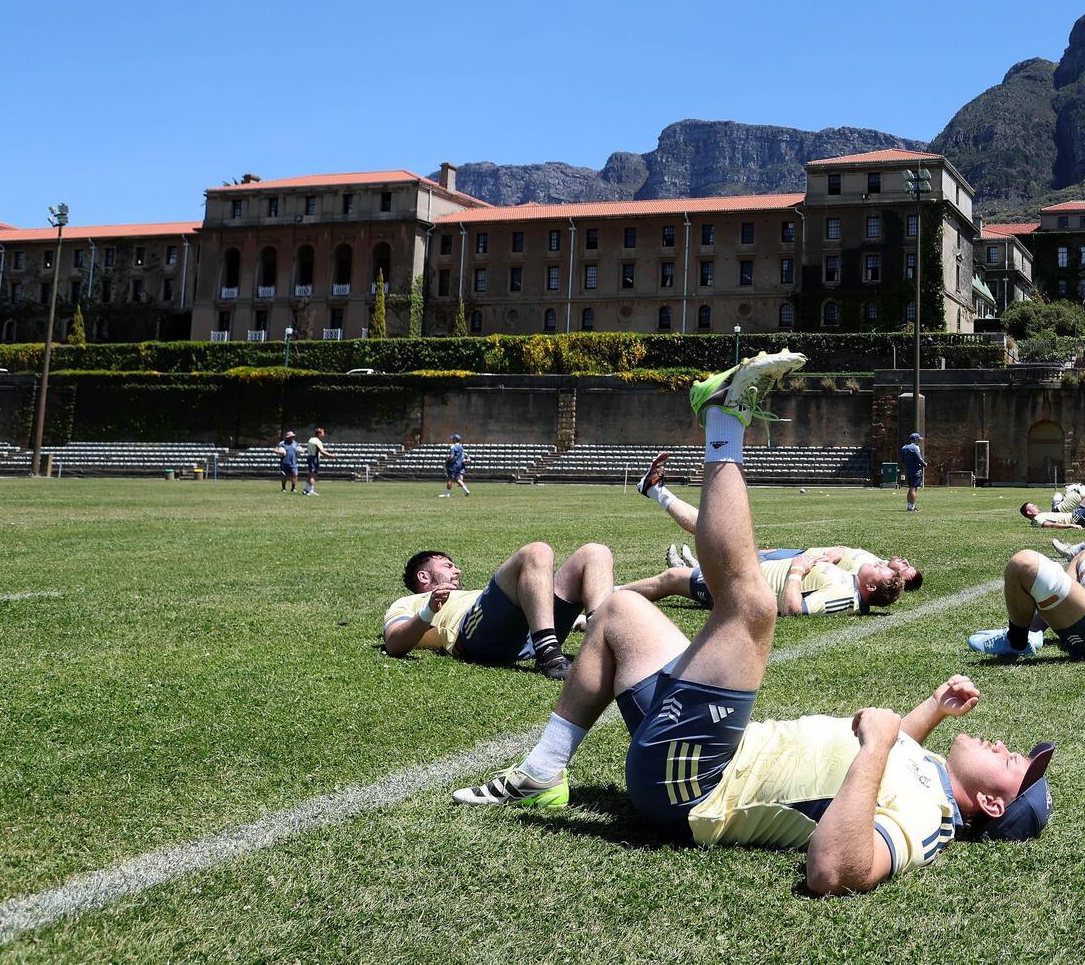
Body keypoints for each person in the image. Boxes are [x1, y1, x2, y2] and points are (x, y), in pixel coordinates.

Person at [451, 350, 1054, 895]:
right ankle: (542, 772)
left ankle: (723, 417)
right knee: (618, 612)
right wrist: (932, 711)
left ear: (991, 805)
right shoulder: (929, 776)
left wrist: (874, 746)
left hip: (699, 785)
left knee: (752, 609)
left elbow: (833, 870)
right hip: (714, 747)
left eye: (1011, 763)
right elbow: (902, 748)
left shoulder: (927, 824)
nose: (1003, 746)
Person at [635, 451, 922, 593]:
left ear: (896, 579)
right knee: (722, 539)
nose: (904, 562)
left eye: (904, 570)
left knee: (717, 530)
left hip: (792, 564)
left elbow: (831, 570)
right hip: (793, 555)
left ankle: (655, 491)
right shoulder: (877, 563)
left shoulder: (871, 575)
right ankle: (694, 566)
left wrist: (816, 559)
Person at [385, 542, 615, 678]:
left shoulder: (472, 594)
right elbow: (394, 643)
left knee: (596, 552)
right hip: (475, 633)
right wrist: (428, 611)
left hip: (532, 629)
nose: (457, 571)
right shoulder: (410, 602)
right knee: (537, 551)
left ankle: (603, 647)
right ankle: (549, 657)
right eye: (447, 566)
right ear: (423, 576)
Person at [624, 548, 906, 616]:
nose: (880, 564)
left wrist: (797, 570)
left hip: (740, 588)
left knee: (672, 579)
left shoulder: (846, 596)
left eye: (882, 571)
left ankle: (610, 596)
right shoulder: (850, 582)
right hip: (749, 573)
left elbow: (794, 609)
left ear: (871, 587)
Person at [1023, 455, 1085, 528]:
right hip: (1076, 518)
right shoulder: (1036, 519)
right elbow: (1051, 525)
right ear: (1029, 512)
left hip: (1075, 515)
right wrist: (1071, 525)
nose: (1036, 506)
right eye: (1032, 506)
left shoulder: (1039, 517)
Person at [302, 427, 335, 497]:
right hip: (314, 459)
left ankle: (306, 489)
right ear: (319, 433)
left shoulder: (311, 439)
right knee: (313, 475)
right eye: (323, 433)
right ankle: (311, 491)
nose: (324, 434)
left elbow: (318, 449)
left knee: (310, 474)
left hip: (310, 457)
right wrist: (331, 456)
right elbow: (322, 452)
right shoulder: (318, 441)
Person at [901, 432, 926, 513]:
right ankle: (912, 507)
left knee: (911, 488)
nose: (919, 441)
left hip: (908, 470)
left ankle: (909, 506)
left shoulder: (904, 447)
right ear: (915, 440)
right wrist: (924, 464)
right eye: (918, 439)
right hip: (916, 470)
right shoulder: (915, 447)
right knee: (913, 488)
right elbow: (919, 458)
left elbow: (903, 460)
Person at [441, 433, 471, 498]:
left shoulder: (453, 446)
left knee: (449, 478)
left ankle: (447, 494)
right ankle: (466, 490)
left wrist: (447, 460)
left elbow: (451, 456)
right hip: (459, 465)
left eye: (453, 439)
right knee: (457, 479)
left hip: (453, 465)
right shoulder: (461, 447)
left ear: (455, 439)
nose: (452, 440)